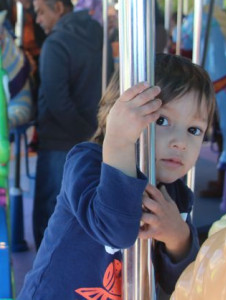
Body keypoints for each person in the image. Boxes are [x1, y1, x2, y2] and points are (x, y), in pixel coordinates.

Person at [17, 53, 216, 299]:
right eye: (162, 120)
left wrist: (178, 236)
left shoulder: (174, 196)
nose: (181, 143)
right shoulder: (88, 163)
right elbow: (115, 230)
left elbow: (184, 282)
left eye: (194, 130)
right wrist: (119, 142)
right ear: (120, 116)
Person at [32, 0, 110, 250]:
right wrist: (92, 134)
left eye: (41, 11)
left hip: (60, 140)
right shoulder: (100, 34)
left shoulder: (55, 44)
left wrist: (82, 133)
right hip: (96, 137)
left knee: (50, 211)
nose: (38, 20)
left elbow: (56, 100)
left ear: (59, 7)